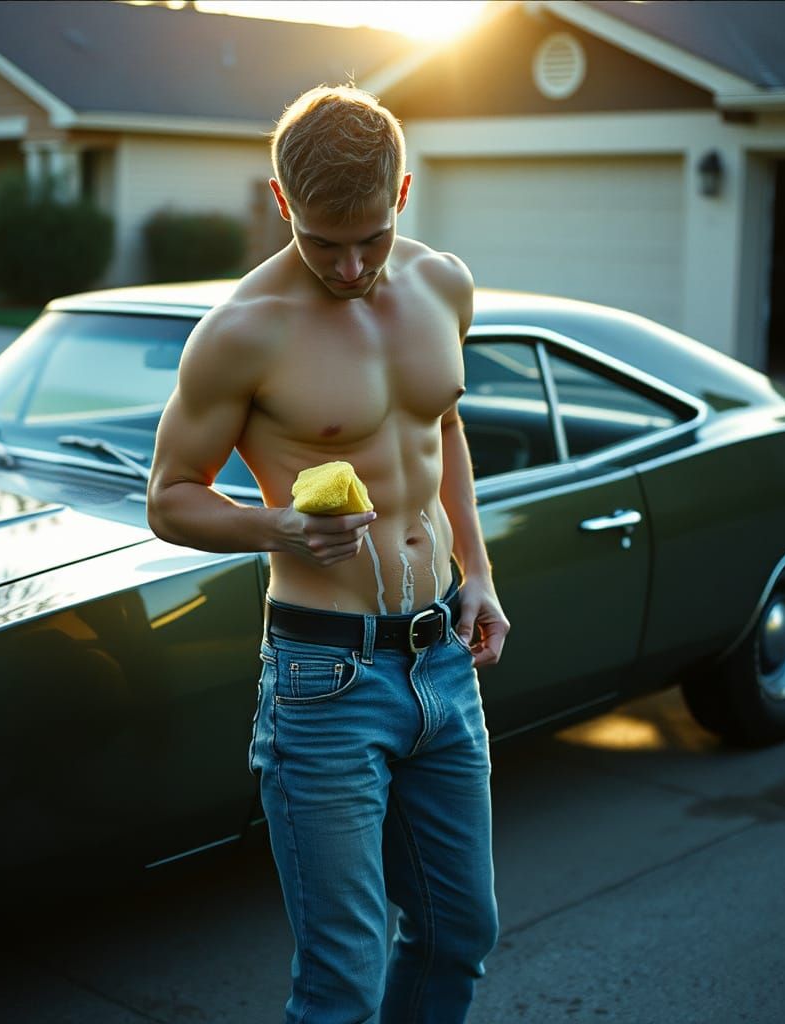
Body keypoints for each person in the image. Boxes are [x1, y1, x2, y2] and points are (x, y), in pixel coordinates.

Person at [147, 84, 509, 1024]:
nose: (350, 267)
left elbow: (443, 430)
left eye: (370, 239)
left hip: (442, 663)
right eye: (321, 241)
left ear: (403, 195)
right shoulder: (241, 331)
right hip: (325, 680)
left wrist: (479, 575)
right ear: (280, 204)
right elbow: (169, 499)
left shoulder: (445, 284)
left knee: (460, 934)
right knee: (341, 978)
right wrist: (279, 526)